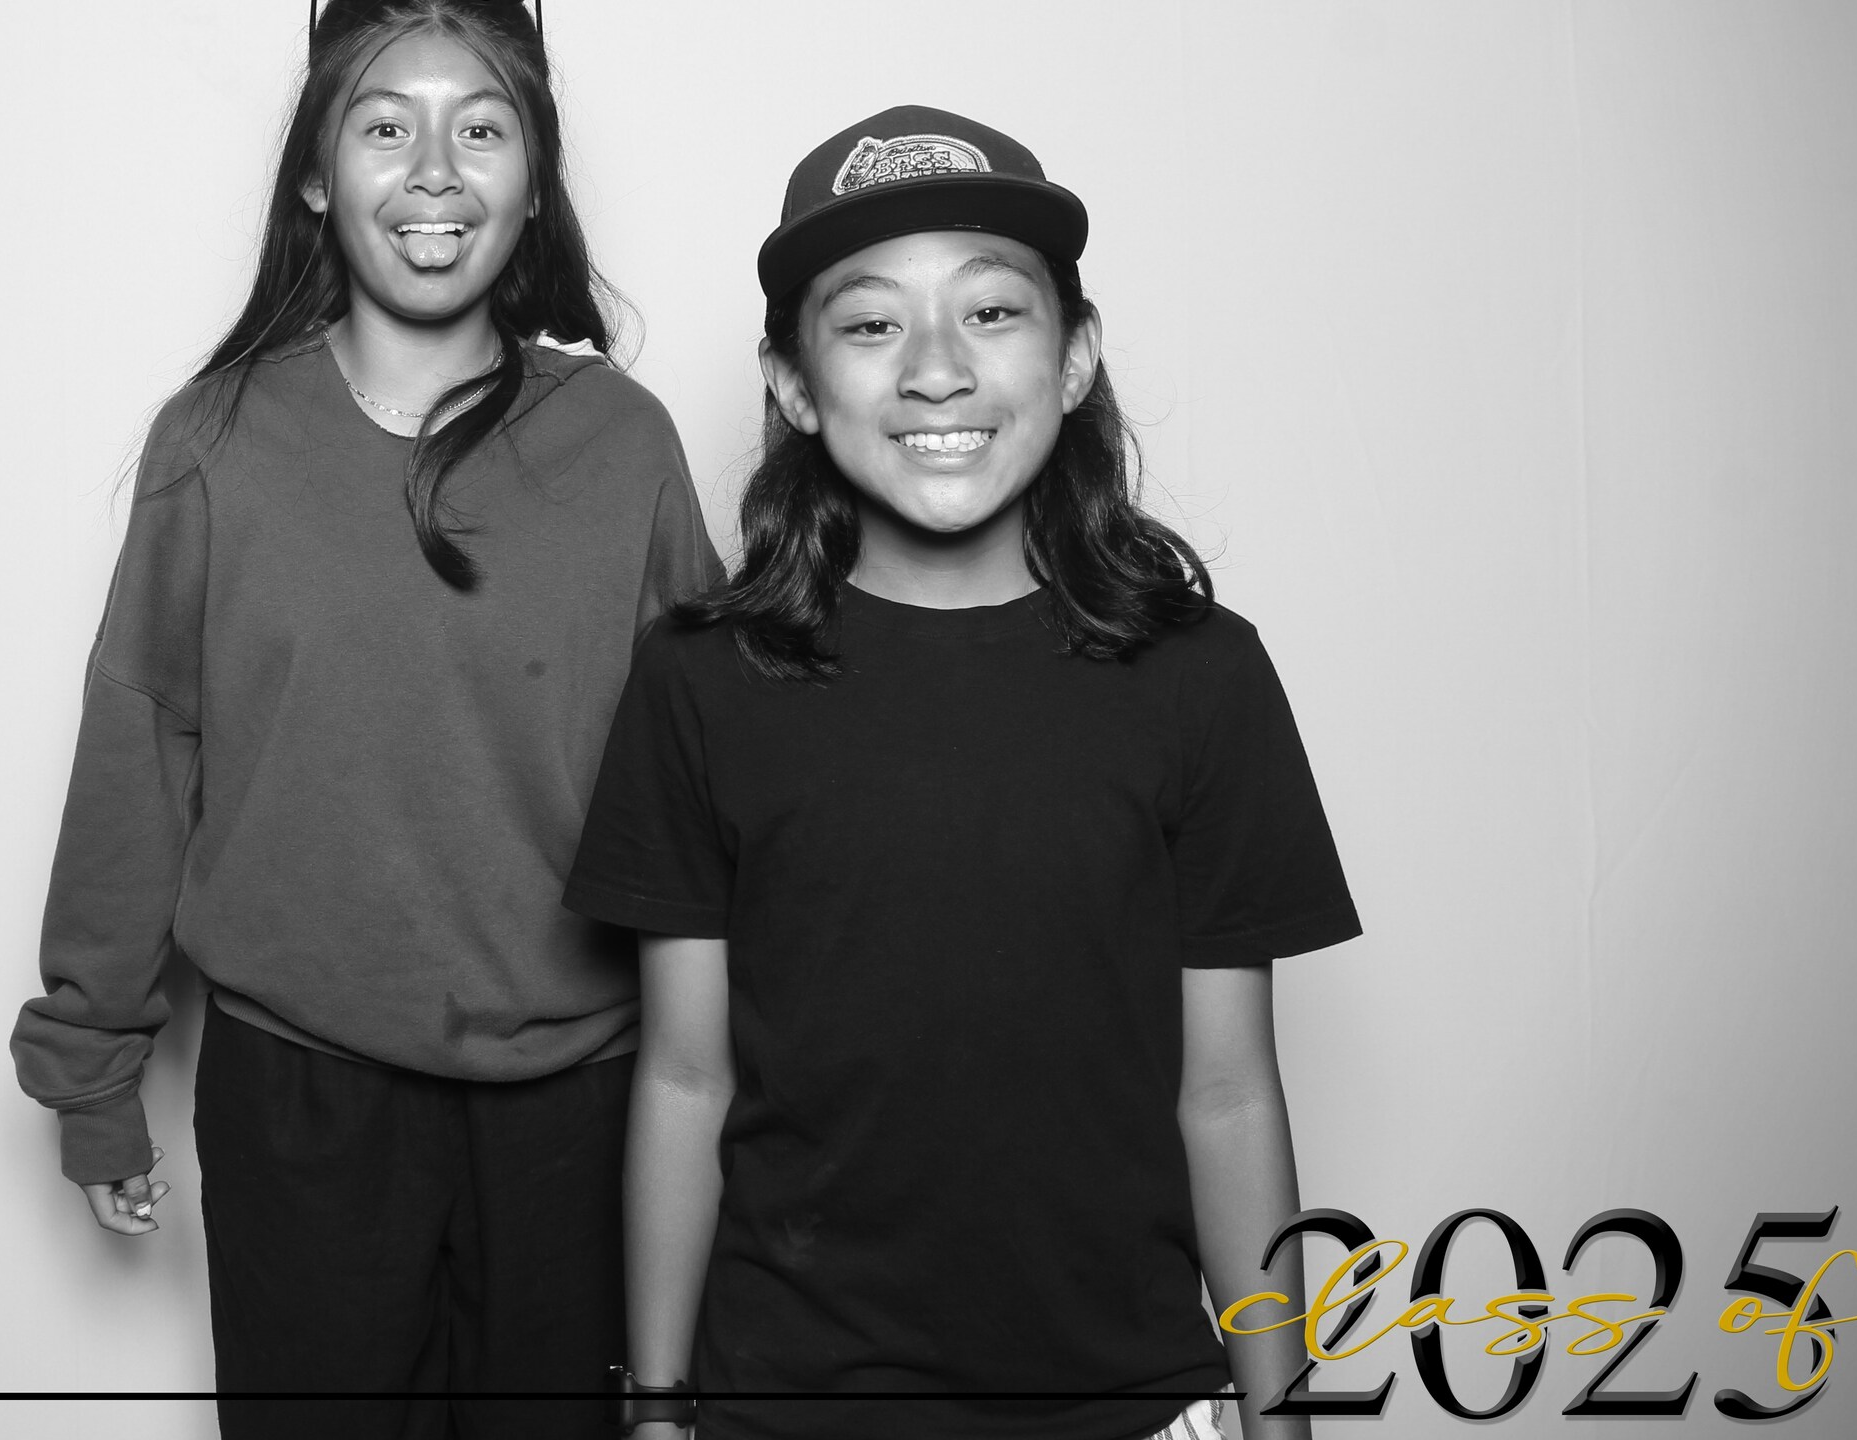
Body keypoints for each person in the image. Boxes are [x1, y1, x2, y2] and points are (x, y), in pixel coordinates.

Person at [564, 106, 1360, 1440]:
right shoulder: (701, 682)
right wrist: (655, 1412)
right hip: (788, 1407)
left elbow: (1226, 1092)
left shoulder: (1202, 677)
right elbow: (688, 1078)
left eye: (991, 313)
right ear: (794, 383)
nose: (937, 369)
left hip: (1132, 1402)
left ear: (1075, 356)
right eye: (872, 324)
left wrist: (1280, 1417)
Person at [10, 0, 721, 1438]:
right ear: (317, 179)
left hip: (584, 1105)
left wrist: (757, 1073)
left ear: (535, 181)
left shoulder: (625, 444)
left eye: (483, 127)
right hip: (300, 1100)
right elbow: (142, 748)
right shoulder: (215, 442)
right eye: (385, 125)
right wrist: (92, 1068)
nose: (435, 170)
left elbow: (713, 783)